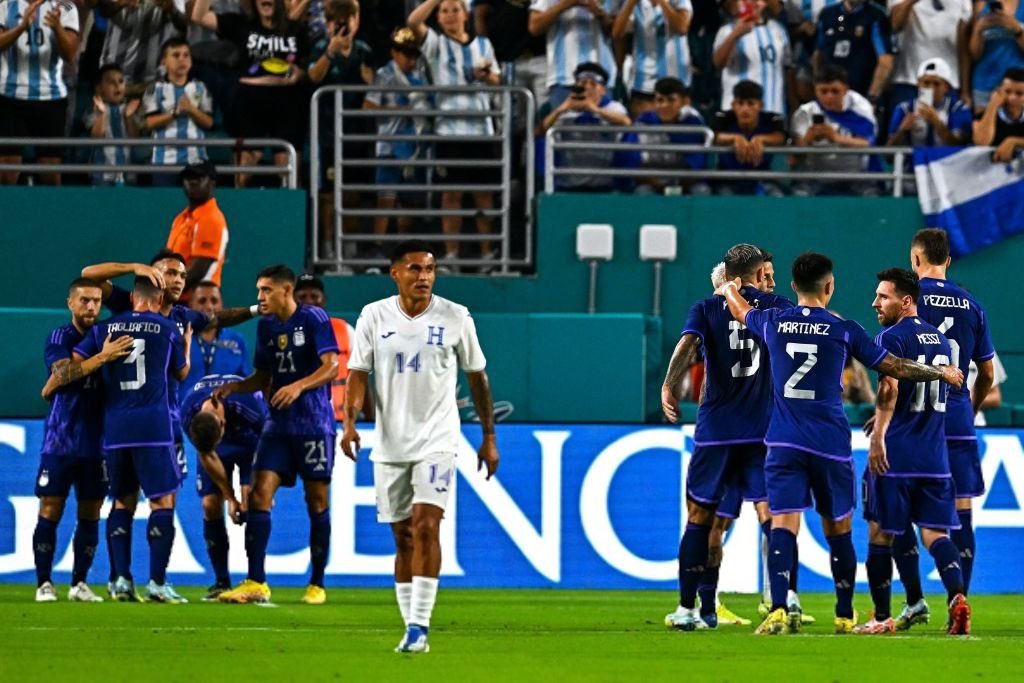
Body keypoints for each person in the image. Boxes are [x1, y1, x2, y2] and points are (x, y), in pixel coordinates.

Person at [718, 251, 962, 635]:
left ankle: (780, 608)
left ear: (794, 286)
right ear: (830, 286)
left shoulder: (772, 321)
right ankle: (845, 614)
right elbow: (895, 368)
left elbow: (739, 310)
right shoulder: (844, 329)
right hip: (830, 442)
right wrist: (940, 371)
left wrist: (729, 288)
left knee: (783, 523)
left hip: (783, 441)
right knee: (839, 529)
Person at [342, 239, 500, 654]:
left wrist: (488, 437)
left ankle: (419, 627)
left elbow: (477, 378)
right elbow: (357, 373)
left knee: (427, 524)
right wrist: (348, 422)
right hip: (391, 443)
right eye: (414, 269)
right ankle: (410, 623)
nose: (424, 277)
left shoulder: (456, 316)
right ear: (395, 273)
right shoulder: (374, 316)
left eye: (430, 269)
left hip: (439, 440)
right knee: (402, 538)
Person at [661, 244, 795, 631]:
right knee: (772, 515)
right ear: (757, 275)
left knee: (700, 517)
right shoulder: (778, 307)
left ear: (732, 277)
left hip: (717, 431)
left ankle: (690, 609)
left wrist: (669, 387)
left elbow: (687, 346)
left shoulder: (705, 308)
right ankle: (782, 606)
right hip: (763, 431)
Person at [213, 265, 339, 605]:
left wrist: (298, 386)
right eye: (259, 290)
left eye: (266, 290)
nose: (260, 297)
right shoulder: (267, 326)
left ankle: (317, 584)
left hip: (313, 424)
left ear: (286, 291)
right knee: (259, 494)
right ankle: (256, 580)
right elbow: (263, 376)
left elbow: (332, 366)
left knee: (316, 500)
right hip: (277, 425)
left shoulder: (314, 319)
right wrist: (236, 387)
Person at [857, 267, 971, 636]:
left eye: (883, 296)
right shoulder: (940, 341)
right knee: (936, 535)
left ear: (905, 301)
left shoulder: (891, 336)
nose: (875, 302)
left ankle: (880, 617)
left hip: (898, 454)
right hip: (935, 456)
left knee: (880, 533)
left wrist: (879, 438)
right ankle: (957, 597)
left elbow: (889, 388)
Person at [890, 229, 995, 621]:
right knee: (962, 510)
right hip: (958, 418)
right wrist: (968, 402)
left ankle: (913, 600)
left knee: (901, 511)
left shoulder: (908, 301)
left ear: (915, 260)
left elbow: (894, 367)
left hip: (917, 421)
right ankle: (959, 600)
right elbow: (986, 371)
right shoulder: (973, 304)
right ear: (948, 260)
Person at [73, 276, 193, 602]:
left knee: (122, 501)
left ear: (135, 298)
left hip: (115, 428)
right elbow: (181, 373)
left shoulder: (104, 329)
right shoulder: (167, 328)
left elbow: (76, 362)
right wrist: (187, 342)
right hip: (153, 427)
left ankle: (120, 580)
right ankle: (156, 582)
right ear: (156, 300)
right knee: (162, 501)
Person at [32, 278, 133, 603]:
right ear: (70, 303)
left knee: (90, 512)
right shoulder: (60, 337)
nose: (91, 306)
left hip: (97, 443)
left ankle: (79, 583)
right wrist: (101, 358)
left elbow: (60, 382)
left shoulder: (108, 336)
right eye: (84, 300)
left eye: (95, 301)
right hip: (60, 441)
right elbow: (62, 374)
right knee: (51, 508)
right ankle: (44, 583)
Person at [408, 0, 501, 268]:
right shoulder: (435, 44)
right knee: (451, 195)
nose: (449, 15)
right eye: (444, 11)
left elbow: (497, 79)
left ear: (466, 14)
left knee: (483, 194)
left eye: (454, 10)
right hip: (448, 131)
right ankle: (452, 255)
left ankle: (486, 254)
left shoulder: (483, 45)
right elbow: (414, 22)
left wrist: (488, 77)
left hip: (482, 130)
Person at [190, 0, 310, 187]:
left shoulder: (297, 30)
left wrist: (300, 74)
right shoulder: (241, 24)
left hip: (288, 102)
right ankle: (238, 212)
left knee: (288, 168)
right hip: (249, 101)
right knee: (244, 167)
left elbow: (309, 71)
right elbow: (199, 17)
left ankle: (288, 213)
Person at [182, 373, 267, 600]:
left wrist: (246, 488)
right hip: (217, 447)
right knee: (210, 504)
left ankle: (254, 580)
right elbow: (207, 455)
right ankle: (221, 580)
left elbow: (266, 444)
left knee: (254, 503)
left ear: (222, 423)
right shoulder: (189, 413)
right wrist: (230, 497)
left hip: (252, 443)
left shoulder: (250, 406)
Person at [0, 0, 80, 186]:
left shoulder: (65, 6)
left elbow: (69, 54)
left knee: (50, 172)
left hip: (50, 97)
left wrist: (58, 27)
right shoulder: (5, 5)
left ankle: (51, 214)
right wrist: (21, 28)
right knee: (5, 173)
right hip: (10, 95)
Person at [363, 27, 428, 246]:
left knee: (409, 203)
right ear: (394, 52)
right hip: (389, 149)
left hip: (413, 150)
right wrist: (402, 111)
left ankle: (404, 251)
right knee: (386, 200)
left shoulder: (419, 78)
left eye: (413, 54)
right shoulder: (384, 76)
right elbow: (368, 107)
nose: (410, 59)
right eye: (405, 53)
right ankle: (377, 249)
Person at [536, 62, 632, 193]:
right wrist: (560, 110)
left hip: (604, 185)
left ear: (603, 89)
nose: (587, 87)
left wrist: (594, 110)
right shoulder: (566, 109)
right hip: (569, 184)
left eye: (593, 84)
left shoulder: (613, 107)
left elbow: (626, 122)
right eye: (582, 83)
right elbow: (540, 132)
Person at [293, 272, 374, 423]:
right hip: (299, 423)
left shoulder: (344, 330)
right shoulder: (283, 333)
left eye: (314, 296)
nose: (309, 301)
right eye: (302, 297)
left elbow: (361, 379)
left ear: (323, 300)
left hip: (340, 422)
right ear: (293, 301)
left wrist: (371, 420)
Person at [790, 64, 876, 197]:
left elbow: (868, 144)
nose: (829, 96)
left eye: (835, 91)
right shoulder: (804, 112)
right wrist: (807, 139)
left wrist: (835, 137)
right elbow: (793, 160)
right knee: (799, 195)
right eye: (823, 91)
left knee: (873, 196)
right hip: (815, 177)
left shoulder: (860, 107)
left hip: (855, 177)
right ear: (815, 90)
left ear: (846, 90)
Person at [143, 38, 214, 183]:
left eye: (186, 55)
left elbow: (208, 123)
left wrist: (192, 110)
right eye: (176, 55)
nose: (182, 60)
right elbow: (150, 123)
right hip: (164, 161)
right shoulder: (155, 89)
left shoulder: (200, 88)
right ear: (164, 61)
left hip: (196, 160)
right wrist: (174, 113)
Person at [610, 0, 692, 118]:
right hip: (643, 80)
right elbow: (617, 33)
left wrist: (663, 3)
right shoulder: (635, 4)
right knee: (643, 131)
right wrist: (630, 4)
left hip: (677, 79)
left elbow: (681, 28)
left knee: (678, 131)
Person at [528, 0, 616, 109]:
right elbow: (534, 27)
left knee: (602, 124)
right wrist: (567, 4)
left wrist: (600, 14)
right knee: (564, 124)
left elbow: (618, 33)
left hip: (601, 78)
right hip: (564, 77)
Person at [886, 0, 971, 111]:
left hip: (947, 83)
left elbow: (963, 47)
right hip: (909, 81)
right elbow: (896, 24)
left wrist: (965, 90)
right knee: (906, 126)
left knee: (941, 126)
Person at [713, 0, 793, 115]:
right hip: (737, 111)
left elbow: (787, 69)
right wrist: (735, 35)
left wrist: (792, 103)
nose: (752, 3)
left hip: (774, 108)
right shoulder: (727, 30)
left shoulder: (778, 30)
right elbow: (718, 63)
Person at [712, 79, 787, 196]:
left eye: (751, 103)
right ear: (733, 105)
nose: (745, 109)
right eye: (740, 103)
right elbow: (713, 136)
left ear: (760, 106)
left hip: (762, 179)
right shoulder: (723, 117)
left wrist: (760, 139)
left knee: (777, 196)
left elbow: (781, 137)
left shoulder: (772, 119)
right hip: (727, 181)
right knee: (724, 199)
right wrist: (736, 138)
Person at [634, 76, 708, 195]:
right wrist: (659, 184)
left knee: (701, 191)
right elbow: (635, 162)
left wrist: (676, 186)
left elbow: (696, 164)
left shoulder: (693, 123)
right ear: (654, 102)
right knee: (643, 192)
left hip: (686, 183)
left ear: (684, 102)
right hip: (653, 183)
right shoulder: (644, 122)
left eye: (671, 100)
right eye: (660, 100)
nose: (664, 105)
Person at [165, 160, 229, 292]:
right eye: (189, 178)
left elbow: (199, 271)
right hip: (178, 297)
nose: (193, 182)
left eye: (199, 177)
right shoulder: (181, 218)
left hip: (196, 300)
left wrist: (165, 290)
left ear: (212, 182)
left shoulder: (211, 218)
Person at [97, 0, 189, 91]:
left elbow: (186, 25)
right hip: (114, 75)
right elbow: (103, 10)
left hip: (154, 79)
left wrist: (171, 8)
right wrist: (121, 3)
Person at [181, 281, 250, 400]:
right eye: (202, 301)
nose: (209, 306)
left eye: (214, 301)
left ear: (222, 305)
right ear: (191, 306)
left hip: (225, 413)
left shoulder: (237, 341)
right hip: (185, 414)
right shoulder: (181, 340)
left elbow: (244, 383)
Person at [812, 0, 893, 101]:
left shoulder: (876, 16)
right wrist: (819, 87)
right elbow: (818, 55)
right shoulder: (827, 14)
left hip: (860, 93)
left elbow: (885, 61)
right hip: (830, 94)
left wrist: (872, 97)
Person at [888, 58, 972, 148]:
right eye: (926, 83)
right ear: (918, 84)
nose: (931, 88)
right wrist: (902, 130)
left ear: (947, 87)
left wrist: (937, 123)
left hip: (947, 161)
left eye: (936, 84)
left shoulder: (958, 109)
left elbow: (957, 146)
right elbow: (889, 154)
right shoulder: (904, 109)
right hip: (916, 161)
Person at [85, 63, 141, 186]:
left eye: (121, 81)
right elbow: (96, 137)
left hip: (128, 173)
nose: (117, 86)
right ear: (99, 88)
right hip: (101, 173)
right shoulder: (94, 110)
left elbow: (134, 138)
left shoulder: (129, 109)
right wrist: (102, 114)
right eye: (111, 82)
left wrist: (129, 116)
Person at [967, 0, 1024, 112]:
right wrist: (979, 29)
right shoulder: (981, 5)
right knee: (984, 128)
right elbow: (975, 55)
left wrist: (1016, 28)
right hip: (985, 84)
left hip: (1018, 86)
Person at [783, 0, 840, 103]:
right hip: (804, 55)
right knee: (803, 90)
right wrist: (801, 28)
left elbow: (846, 21)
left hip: (833, 55)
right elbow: (786, 29)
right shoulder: (795, 2)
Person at [974, 67, 1024, 162]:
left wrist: (1013, 141)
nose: (1011, 98)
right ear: (999, 91)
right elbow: (981, 142)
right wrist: (993, 105)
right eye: (1007, 91)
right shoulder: (981, 116)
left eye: (1019, 93)